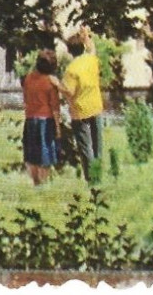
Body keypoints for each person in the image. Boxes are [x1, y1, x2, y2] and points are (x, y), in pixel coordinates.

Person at [61, 25, 104, 180]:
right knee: (97, 145)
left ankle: (93, 181)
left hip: (80, 112)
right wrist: (86, 36)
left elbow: (69, 92)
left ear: (69, 51)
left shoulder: (71, 70)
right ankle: (98, 175)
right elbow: (92, 48)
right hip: (96, 106)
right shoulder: (91, 60)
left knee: (86, 148)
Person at [21, 49, 61, 184]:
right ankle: (43, 183)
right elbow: (55, 107)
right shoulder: (51, 82)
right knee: (45, 153)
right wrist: (58, 127)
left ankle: (35, 181)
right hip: (46, 120)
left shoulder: (28, 78)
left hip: (30, 119)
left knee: (31, 153)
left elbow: (25, 99)